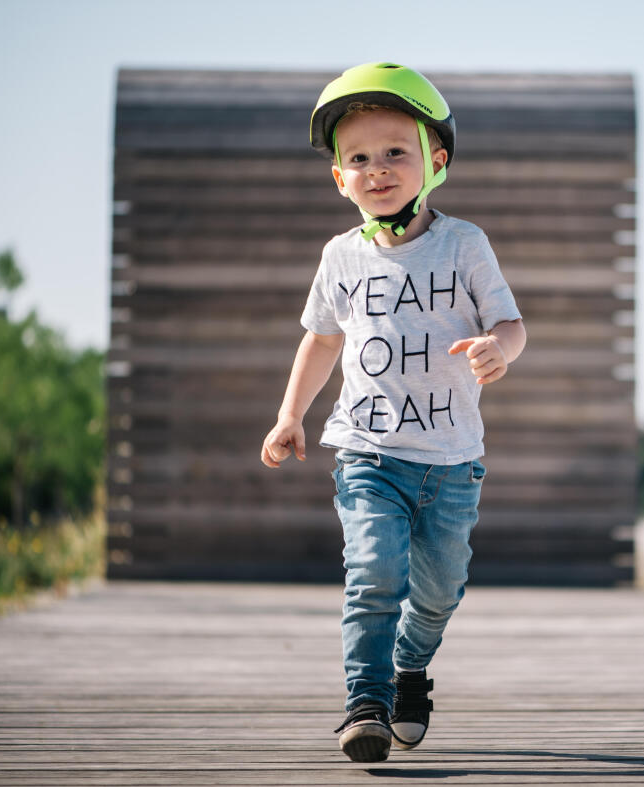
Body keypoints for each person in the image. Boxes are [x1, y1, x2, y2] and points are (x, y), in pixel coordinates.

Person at [260, 62, 527, 764]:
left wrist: (499, 348)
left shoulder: (464, 243)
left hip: (451, 462)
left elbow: (511, 321)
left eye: (395, 152)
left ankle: (411, 665)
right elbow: (320, 340)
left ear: (434, 161)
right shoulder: (340, 258)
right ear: (339, 178)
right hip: (368, 453)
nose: (377, 169)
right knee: (373, 572)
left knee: (438, 591)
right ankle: (365, 701)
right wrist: (290, 415)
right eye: (359, 159)